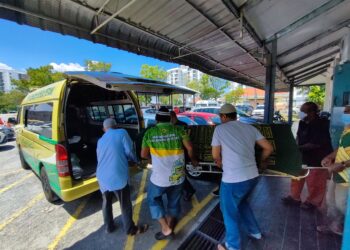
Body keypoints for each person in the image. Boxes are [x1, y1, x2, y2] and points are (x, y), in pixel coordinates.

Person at [212, 104, 273, 250]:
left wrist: (222, 165)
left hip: (233, 179)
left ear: (225, 116)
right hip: (252, 176)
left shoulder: (219, 129)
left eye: (221, 116)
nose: (220, 119)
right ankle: (255, 232)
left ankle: (232, 246)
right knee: (242, 203)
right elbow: (268, 148)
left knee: (228, 212)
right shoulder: (250, 128)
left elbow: (215, 155)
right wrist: (262, 161)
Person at [141, 107, 198, 240]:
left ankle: (165, 228)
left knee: (153, 199)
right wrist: (194, 160)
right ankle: (170, 223)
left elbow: (143, 154)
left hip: (159, 178)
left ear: (156, 120)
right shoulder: (179, 130)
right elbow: (190, 148)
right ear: (170, 118)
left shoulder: (150, 133)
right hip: (178, 176)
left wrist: (153, 159)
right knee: (174, 201)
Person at [96, 118, 148, 235]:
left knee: (106, 201)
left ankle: (109, 227)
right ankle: (130, 229)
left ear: (104, 129)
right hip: (116, 175)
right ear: (116, 125)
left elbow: (100, 158)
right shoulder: (122, 132)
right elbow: (129, 151)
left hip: (101, 176)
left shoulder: (100, 140)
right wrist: (136, 161)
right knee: (124, 203)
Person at [282, 102, 333, 209]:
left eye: (303, 111)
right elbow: (298, 138)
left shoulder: (321, 124)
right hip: (303, 154)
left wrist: (297, 149)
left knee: (315, 180)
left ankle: (313, 202)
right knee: (296, 175)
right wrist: (294, 147)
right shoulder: (302, 122)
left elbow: (316, 143)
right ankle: (294, 197)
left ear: (312, 112)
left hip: (319, 156)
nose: (300, 113)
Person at [317, 105, 350, 235]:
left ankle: (345, 228)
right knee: (331, 201)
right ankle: (334, 225)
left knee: (342, 204)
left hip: (347, 176)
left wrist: (342, 164)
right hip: (337, 173)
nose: (345, 115)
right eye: (345, 112)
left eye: (348, 112)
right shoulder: (346, 130)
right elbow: (341, 148)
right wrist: (329, 157)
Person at [170, 111, 196, 201]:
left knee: (179, 173)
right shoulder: (184, 124)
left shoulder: (176, 127)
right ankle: (187, 190)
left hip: (180, 153)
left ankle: (189, 190)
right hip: (182, 152)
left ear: (172, 117)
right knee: (180, 173)